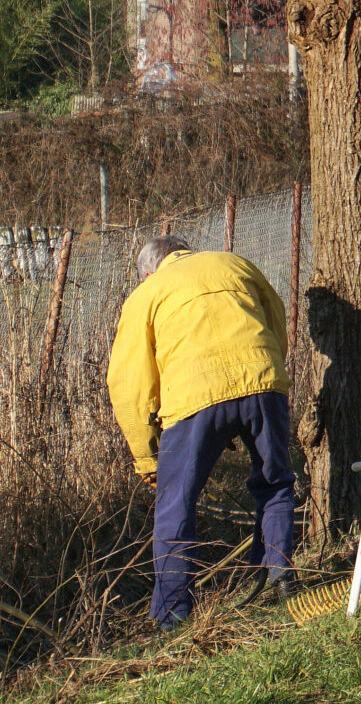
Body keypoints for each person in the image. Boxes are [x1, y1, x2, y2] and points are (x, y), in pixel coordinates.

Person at [107, 236, 294, 628]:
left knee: (175, 506)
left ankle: (173, 615)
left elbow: (129, 384)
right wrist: (268, 368)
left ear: (147, 272)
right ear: (185, 251)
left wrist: (146, 456)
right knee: (275, 484)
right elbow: (276, 318)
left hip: (193, 400)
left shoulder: (146, 295)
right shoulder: (234, 263)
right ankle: (280, 578)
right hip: (262, 381)